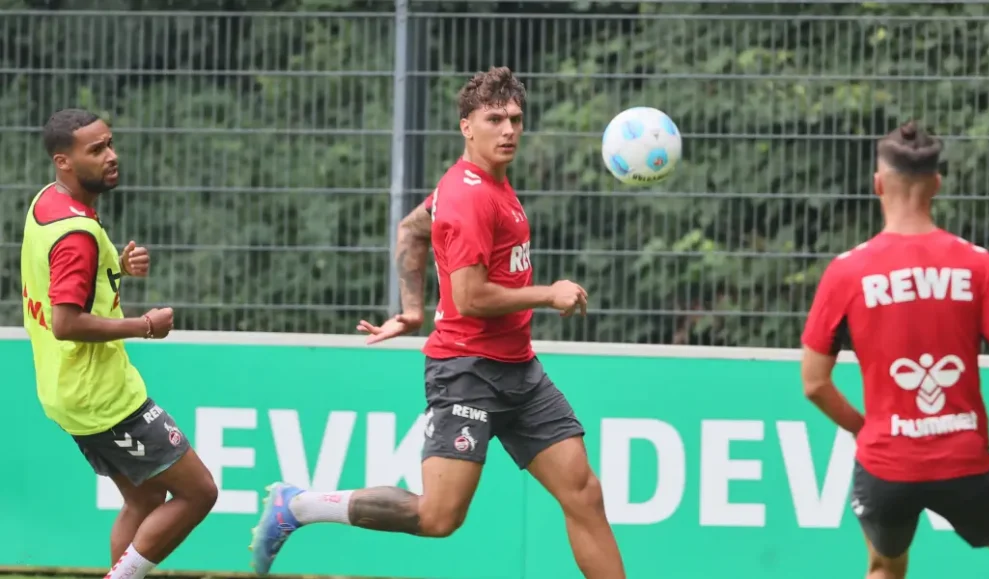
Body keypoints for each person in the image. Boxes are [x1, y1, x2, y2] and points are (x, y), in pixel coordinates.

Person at [249, 67, 626, 579]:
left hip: (519, 369)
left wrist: (411, 308)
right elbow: (470, 298)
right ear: (467, 126)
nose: (509, 129)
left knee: (584, 494)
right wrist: (548, 293)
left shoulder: (483, 182)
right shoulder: (471, 196)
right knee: (438, 516)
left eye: (515, 118)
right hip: (467, 371)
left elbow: (412, 229)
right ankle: (299, 506)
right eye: (494, 119)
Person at [800, 121, 989, 579]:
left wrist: (867, 429)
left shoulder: (846, 273)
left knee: (884, 569)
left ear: (877, 184)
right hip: (964, 461)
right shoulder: (976, 264)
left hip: (887, 464)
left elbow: (814, 384)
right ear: (937, 184)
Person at [22, 108, 218, 579]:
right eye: (97, 150)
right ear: (63, 160)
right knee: (199, 492)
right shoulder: (77, 235)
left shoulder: (48, 203)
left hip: (66, 388)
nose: (112, 156)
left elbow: (66, 281)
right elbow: (66, 322)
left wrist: (117, 268)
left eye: (109, 144)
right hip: (102, 397)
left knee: (146, 496)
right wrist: (145, 325)